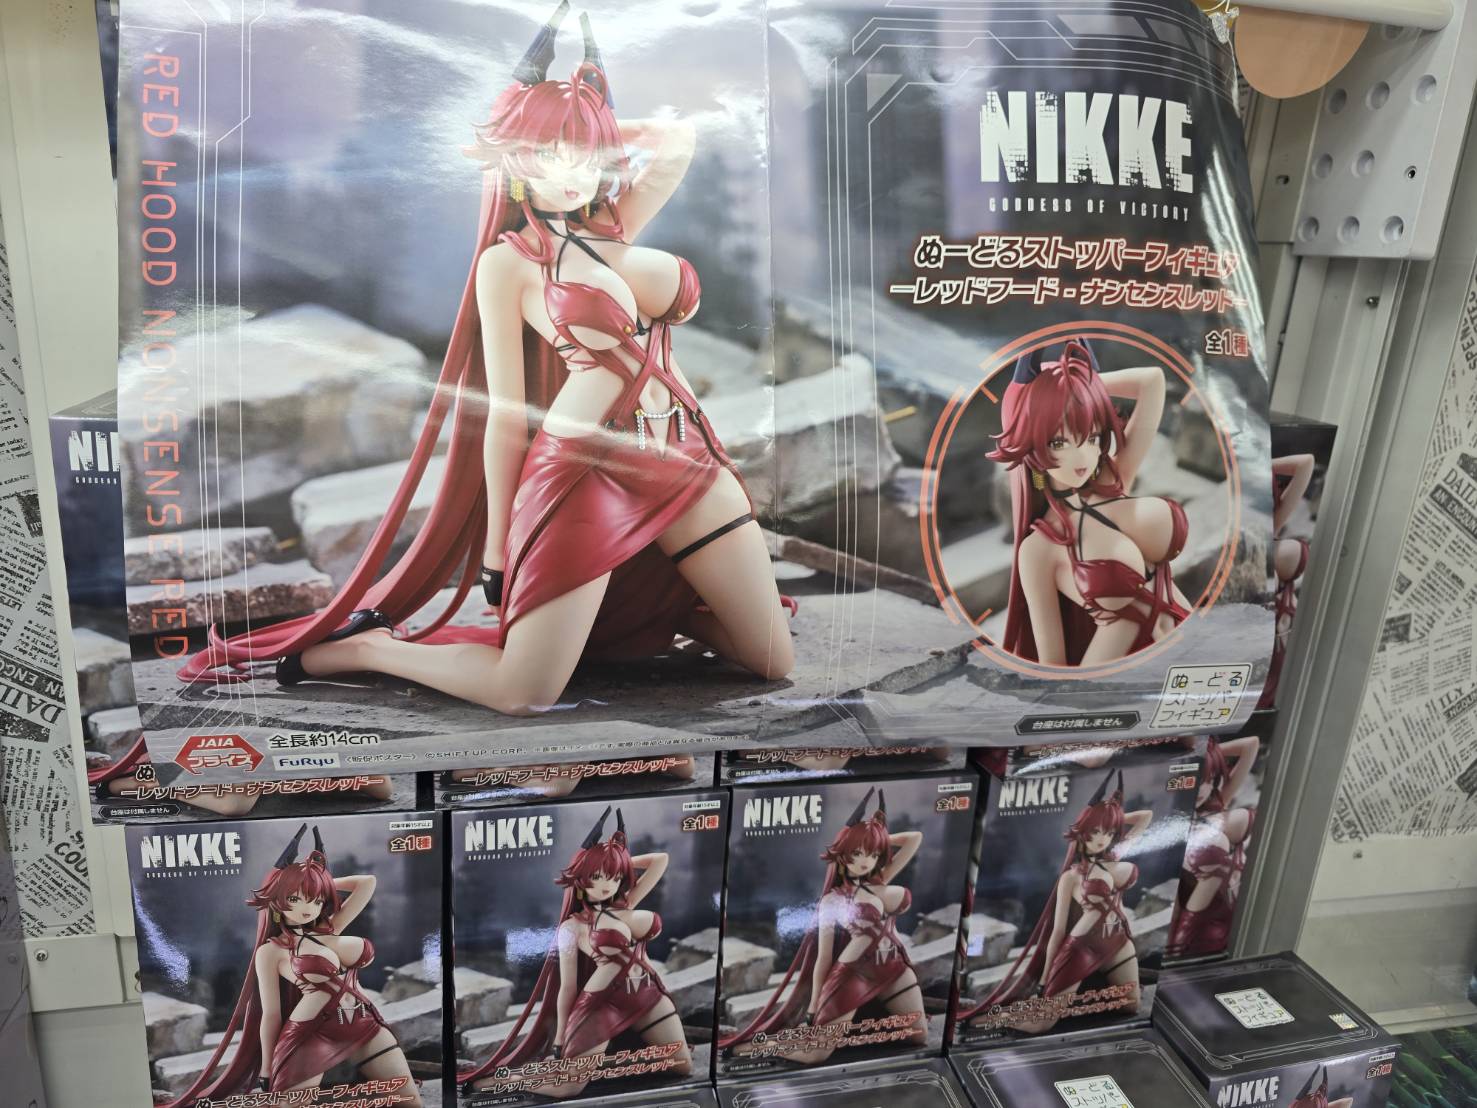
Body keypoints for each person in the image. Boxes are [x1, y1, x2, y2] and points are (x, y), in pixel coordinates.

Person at [180, 2, 793, 716]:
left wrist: (584, 120)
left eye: (583, 157)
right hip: (586, 472)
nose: (570, 173)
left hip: (686, 454)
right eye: (546, 157)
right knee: (523, 692)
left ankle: (650, 611)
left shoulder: (615, 224)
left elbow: (675, 136)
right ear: (515, 163)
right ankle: (371, 650)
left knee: (770, 661)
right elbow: (505, 415)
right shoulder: (508, 264)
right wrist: (498, 550)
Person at [166, 824, 421, 1106]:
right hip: (310, 1033)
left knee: (411, 1104)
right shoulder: (271, 951)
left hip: (364, 1022)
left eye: (315, 899)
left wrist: (317, 879)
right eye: (294, 898)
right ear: (278, 901)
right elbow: (271, 1014)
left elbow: (367, 882)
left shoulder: (331, 927)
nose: (307, 907)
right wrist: (265, 1069)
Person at [459, 806, 689, 1099]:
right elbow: (566, 987)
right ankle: (506, 1081)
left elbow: (660, 860)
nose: (606, 886)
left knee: (682, 1065)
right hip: (601, 1004)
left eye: (613, 878)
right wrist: (559, 1039)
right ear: (582, 878)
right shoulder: (572, 927)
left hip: (647, 993)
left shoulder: (625, 904)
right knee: (568, 1087)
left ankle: (604, 1067)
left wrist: (616, 861)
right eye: (598, 877)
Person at [987, 339, 1190, 665]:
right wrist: (1046, 396)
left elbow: (1152, 380)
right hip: (1118, 674)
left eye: (1092, 438)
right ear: (1031, 445)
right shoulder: (1038, 549)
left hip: (1189, 651)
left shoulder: (1112, 480)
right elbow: (1052, 663)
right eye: (1058, 443)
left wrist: (1077, 387)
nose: (1082, 457)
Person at [720, 788, 927, 1065]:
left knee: (918, 1035)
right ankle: (761, 1046)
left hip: (894, 966)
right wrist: (814, 1005)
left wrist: (874, 837)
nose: (864, 861)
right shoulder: (832, 900)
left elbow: (914, 839)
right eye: (857, 853)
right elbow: (823, 959)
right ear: (843, 854)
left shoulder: (879, 880)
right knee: (816, 1054)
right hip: (853, 974)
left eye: (871, 855)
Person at [962, 770, 1151, 1034]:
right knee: (1041, 1024)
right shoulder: (1071, 877)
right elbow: (1058, 931)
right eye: (1095, 831)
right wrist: (1043, 980)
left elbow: (1145, 817)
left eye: (1108, 833)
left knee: (1130, 1005)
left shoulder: (1115, 856)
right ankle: (994, 1018)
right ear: (1083, 831)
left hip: (1118, 940)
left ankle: (1062, 1007)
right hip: (1081, 947)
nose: (1102, 839)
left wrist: (1111, 816)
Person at [1167, 733, 1260, 959]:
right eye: (1194, 781)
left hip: (1238, 908)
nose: (1201, 789)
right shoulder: (1173, 825)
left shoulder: (1218, 802)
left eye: (1208, 780)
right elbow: (1176, 898)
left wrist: (1207, 754)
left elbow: (1251, 744)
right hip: (1197, 923)